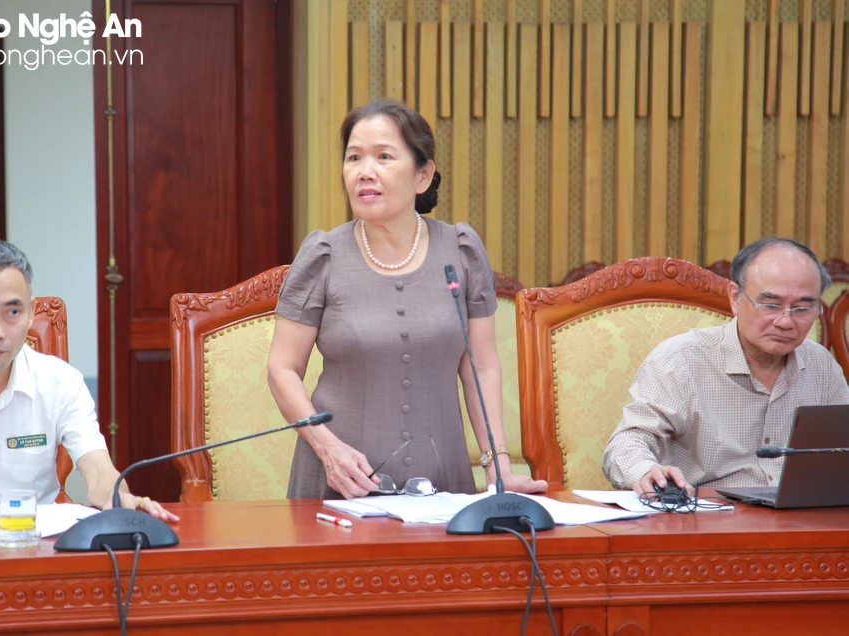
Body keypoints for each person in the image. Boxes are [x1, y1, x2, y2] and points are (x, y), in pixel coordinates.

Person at [267, 99, 548, 499]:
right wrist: (328, 449)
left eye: (384, 156)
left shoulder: (461, 251)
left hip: (442, 484)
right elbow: (282, 368)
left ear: (423, 175)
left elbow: (481, 367)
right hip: (341, 484)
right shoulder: (323, 256)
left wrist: (498, 467)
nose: (365, 171)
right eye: (354, 158)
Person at [0, 237, 179, 530]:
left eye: (12, 312)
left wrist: (121, 501)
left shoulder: (61, 383)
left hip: (31, 543)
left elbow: (98, 471)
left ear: (30, 313)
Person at [602, 237, 849, 495]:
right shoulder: (681, 360)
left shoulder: (821, 365)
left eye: (802, 308)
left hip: (801, 514)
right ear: (735, 298)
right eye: (771, 305)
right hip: (708, 513)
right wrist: (645, 471)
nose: (786, 322)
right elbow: (628, 441)